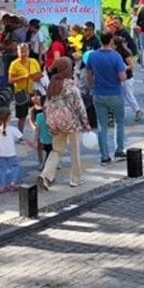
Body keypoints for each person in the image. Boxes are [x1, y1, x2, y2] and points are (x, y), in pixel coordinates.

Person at [39, 57, 91, 189]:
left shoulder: (52, 84)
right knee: (75, 151)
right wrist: (86, 123)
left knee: (56, 150)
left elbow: (46, 105)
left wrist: (49, 123)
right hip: (71, 122)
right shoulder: (70, 85)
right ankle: (75, 179)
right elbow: (79, 105)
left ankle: (46, 176)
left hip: (55, 122)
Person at [86, 33, 128, 165]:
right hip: (115, 92)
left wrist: (93, 87)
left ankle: (104, 155)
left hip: (99, 93)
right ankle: (119, 150)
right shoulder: (116, 56)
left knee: (102, 125)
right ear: (110, 41)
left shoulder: (92, 55)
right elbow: (122, 77)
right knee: (119, 121)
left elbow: (89, 75)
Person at [0, 106, 32, 193]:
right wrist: (29, 142)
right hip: (11, 153)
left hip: (1, 154)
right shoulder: (13, 129)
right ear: (9, 118)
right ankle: (13, 183)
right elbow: (22, 137)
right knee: (15, 166)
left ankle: (2, 186)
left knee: (3, 170)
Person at [8, 43, 42, 129]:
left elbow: (40, 75)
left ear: (28, 52)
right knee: (22, 117)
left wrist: (34, 76)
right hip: (21, 93)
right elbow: (10, 80)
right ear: (18, 52)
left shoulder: (34, 62)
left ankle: (38, 133)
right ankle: (20, 135)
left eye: (25, 51)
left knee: (37, 113)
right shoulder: (14, 64)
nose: (23, 54)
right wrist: (23, 77)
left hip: (33, 92)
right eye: (21, 52)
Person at [27, 92, 52, 168]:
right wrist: (34, 127)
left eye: (37, 95)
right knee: (40, 146)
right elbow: (30, 120)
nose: (35, 97)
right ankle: (41, 161)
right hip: (38, 129)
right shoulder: (32, 110)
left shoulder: (47, 108)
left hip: (47, 130)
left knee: (51, 147)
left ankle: (52, 161)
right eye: (33, 96)